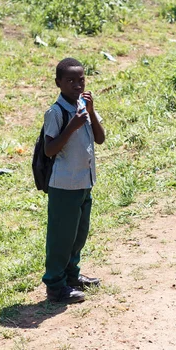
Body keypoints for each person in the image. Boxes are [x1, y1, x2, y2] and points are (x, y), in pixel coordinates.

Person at [42, 57, 106, 303]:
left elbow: (100, 139)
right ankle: (55, 286)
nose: (77, 85)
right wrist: (72, 126)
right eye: (70, 81)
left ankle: (71, 276)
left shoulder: (83, 106)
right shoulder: (55, 112)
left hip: (84, 181)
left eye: (81, 80)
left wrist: (89, 112)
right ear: (58, 83)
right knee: (61, 238)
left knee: (78, 235)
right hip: (64, 185)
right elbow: (50, 150)